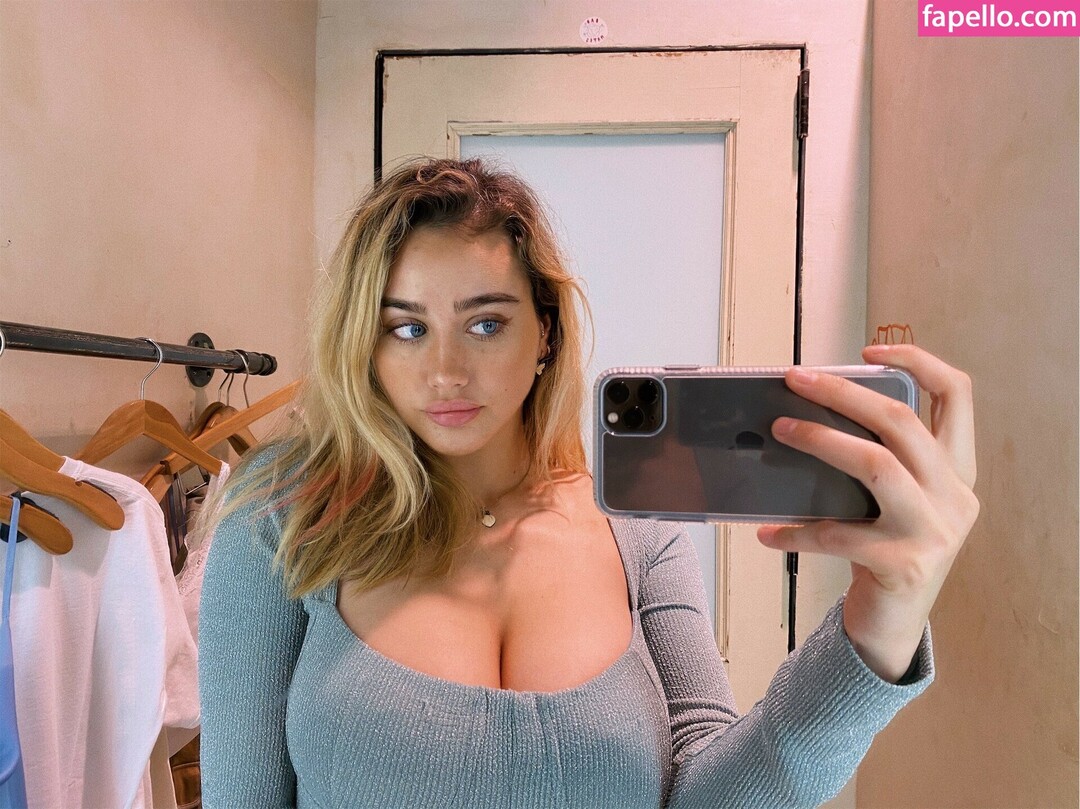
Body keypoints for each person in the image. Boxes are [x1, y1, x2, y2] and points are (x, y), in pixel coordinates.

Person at [198, 157, 979, 808]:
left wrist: (882, 617)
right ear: (362, 340)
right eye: (406, 327)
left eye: (485, 323)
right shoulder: (283, 514)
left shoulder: (637, 531)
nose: (444, 370)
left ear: (545, 332)